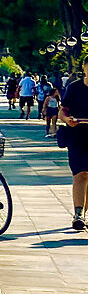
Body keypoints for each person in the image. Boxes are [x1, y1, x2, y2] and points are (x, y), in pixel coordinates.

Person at [65, 63, 88, 231]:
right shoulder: (74, 88)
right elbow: (63, 110)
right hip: (77, 136)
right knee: (80, 174)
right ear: (84, 67)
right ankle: (78, 214)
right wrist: (67, 120)